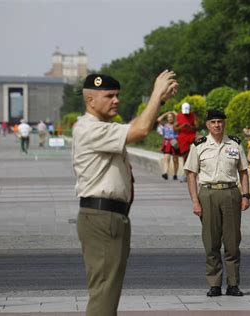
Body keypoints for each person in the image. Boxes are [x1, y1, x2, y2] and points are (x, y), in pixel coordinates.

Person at [72, 71, 178, 316]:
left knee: (107, 293)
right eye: (109, 96)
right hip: (102, 217)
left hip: (109, 217)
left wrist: (159, 100)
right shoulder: (90, 129)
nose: (116, 100)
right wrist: (155, 93)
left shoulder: (100, 127)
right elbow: (140, 130)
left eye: (117, 95)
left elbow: (136, 126)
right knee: (104, 296)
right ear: (91, 101)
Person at [184, 109, 250, 297]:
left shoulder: (235, 144)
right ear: (207, 125)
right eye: (213, 122)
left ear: (224, 123)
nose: (217, 125)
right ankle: (214, 284)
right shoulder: (199, 145)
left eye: (220, 121)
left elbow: (243, 171)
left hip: (230, 192)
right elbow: (191, 174)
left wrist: (246, 195)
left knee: (232, 241)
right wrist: (195, 201)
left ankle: (233, 284)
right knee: (211, 241)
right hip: (208, 194)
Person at [175, 102, 198, 182]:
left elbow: (196, 127)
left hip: (191, 137)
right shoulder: (178, 116)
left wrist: (190, 127)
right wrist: (182, 126)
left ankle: (193, 174)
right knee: (185, 157)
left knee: (193, 156)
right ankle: (186, 175)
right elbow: (175, 128)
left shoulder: (192, 115)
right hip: (182, 139)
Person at [157, 111, 179, 180]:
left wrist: (174, 113)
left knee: (175, 159)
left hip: (175, 142)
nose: (170, 118)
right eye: (169, 117)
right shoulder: (165, 125)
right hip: (167, 142)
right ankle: (165, 173)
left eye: (171, 117)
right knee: (166, 158)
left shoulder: (176, 124)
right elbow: (159, 120)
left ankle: (175, 174)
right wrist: (166, 113)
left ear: (173, 118)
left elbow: (180, 118)